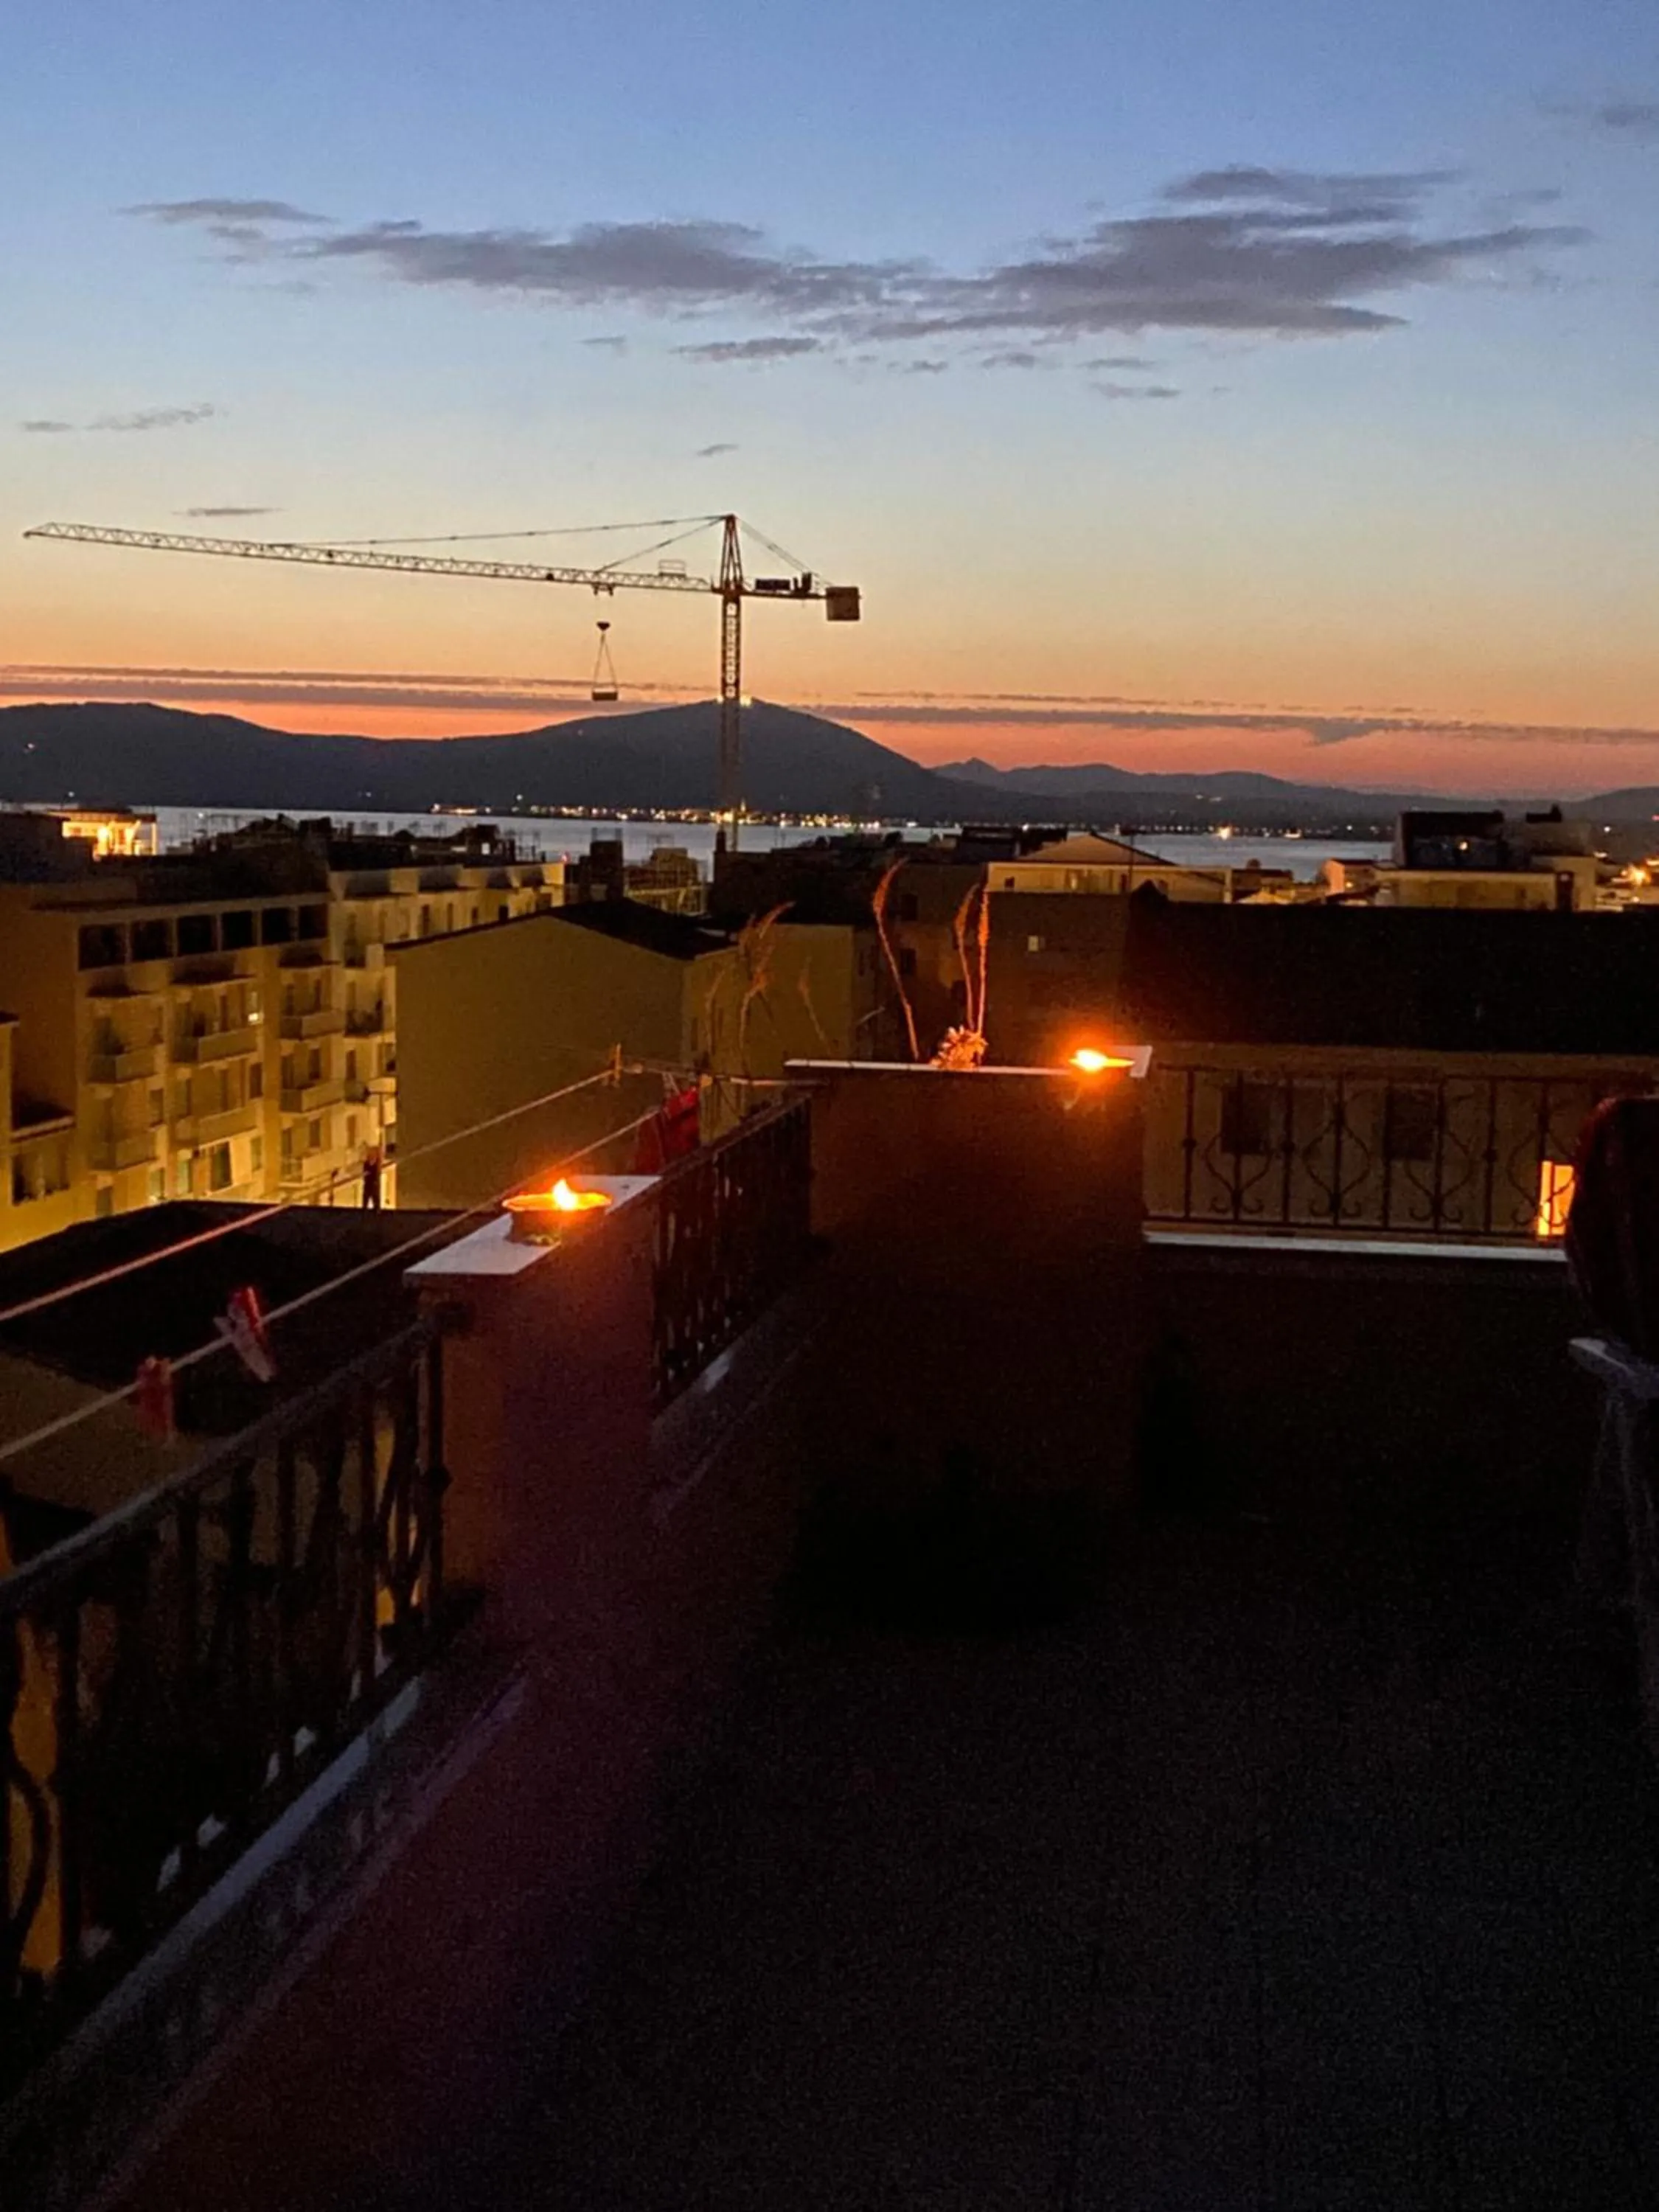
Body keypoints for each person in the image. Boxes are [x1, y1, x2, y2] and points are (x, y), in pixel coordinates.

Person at [362, 1140, 383, 1211]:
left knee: (376, 1204)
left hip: (374, 1186)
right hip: (367, 1186)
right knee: (365, 1203)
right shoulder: (366, 1163)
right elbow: (365, 1173)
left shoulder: (377, 1164)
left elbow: (380, 1155)